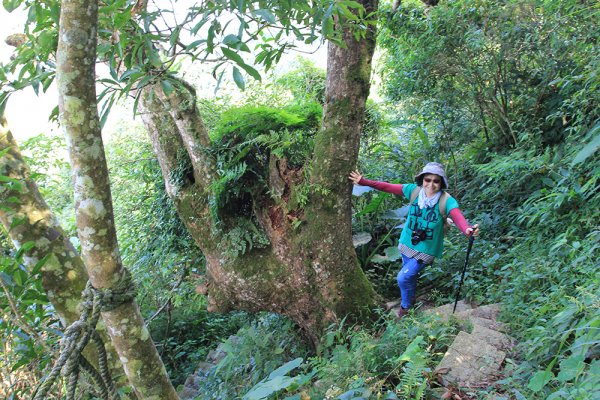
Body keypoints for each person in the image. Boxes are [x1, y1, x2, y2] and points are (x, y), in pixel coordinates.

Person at [349, 162, 480, 318]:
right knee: (409, 277)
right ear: (422, 180)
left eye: (436, 181)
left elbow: (457, 217)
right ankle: (410, 300)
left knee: (403, 277)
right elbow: (387, 187)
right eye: (428, 180)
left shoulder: (446, 200)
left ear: (442, 183)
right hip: (407, 243)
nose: (431, 184)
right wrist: (363, 181)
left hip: (426, 249)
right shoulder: (414, 191)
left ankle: (405, 308)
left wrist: (467, 230)